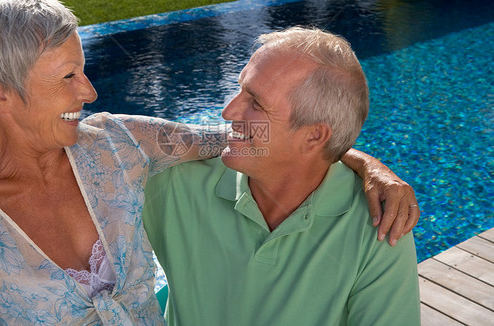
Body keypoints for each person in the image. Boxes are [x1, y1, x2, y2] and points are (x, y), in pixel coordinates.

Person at [0, 0, 417, 325]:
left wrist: (363, 161)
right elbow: (259, 131)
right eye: (67, 77)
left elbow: (260, 140)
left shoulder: (118, 146)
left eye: (83, 70)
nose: (90, 90)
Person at [143, 27, 420, 325]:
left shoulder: (378, 225)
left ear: (314, 136)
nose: (228, 111)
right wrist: (365, 162)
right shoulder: (175, 182)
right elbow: (98, 148)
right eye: (240, 89)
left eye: (256, 103)